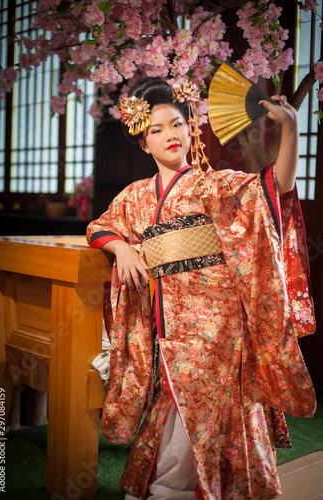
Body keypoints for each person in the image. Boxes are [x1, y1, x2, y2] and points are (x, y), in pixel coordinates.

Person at [86, 76, 316, 500]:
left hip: (219, 318)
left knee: (206, 400)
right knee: (174, 396)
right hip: (167, 318)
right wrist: (123, 249)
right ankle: (181, 487)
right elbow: (99, 226)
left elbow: (275, 187)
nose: (170, 135)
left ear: (191, 129)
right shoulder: (135, 196)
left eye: (177, 124)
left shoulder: (216, 184)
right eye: (156, 129)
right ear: (144, 143)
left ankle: (175, 489)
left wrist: (291, 129)